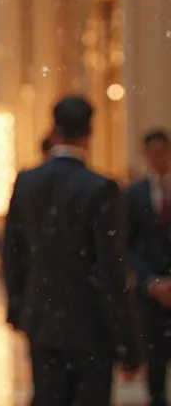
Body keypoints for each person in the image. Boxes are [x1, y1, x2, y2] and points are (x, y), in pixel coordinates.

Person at [4, 96, 141, 405]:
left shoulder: (26, 182)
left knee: (47, 397)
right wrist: (129, 343)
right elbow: (111, 269)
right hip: (90, 324)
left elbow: (13, 253)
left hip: (42, 320)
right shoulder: (100, 188)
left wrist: (18, 309)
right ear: (89, 132)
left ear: (54, 130)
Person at [126, 129, 171, 406]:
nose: (157, 158)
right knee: (154, 358)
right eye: (151, 153)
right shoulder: (134, 194)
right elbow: (128, 244)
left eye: (162, 152)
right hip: (150, 291)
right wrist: (151, 281)